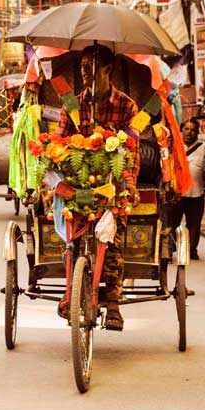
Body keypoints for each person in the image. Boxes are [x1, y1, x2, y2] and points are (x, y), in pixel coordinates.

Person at [55, 44, 140, 332]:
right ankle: (73, 289)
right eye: (82, 69)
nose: (85, 74)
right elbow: (57, 143)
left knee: (112, 234)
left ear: (108, 70)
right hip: (80, 184)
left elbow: (132, 151)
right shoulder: (73, 105)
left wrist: (127, 185)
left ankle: (114, 304)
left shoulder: (126, 105)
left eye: (91, 68)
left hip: (112, 185)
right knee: (71, 231)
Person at [169, 119, 205, 260]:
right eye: (186, 129)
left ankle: (191, 250)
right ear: (182, 131)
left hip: (196, 193)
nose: (189, 132)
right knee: (172, 222)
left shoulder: (204, 148)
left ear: (197, 132)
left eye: (192, 130)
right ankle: (170, 248)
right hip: (177, 193)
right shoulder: (175, 146)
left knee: (194, 224)